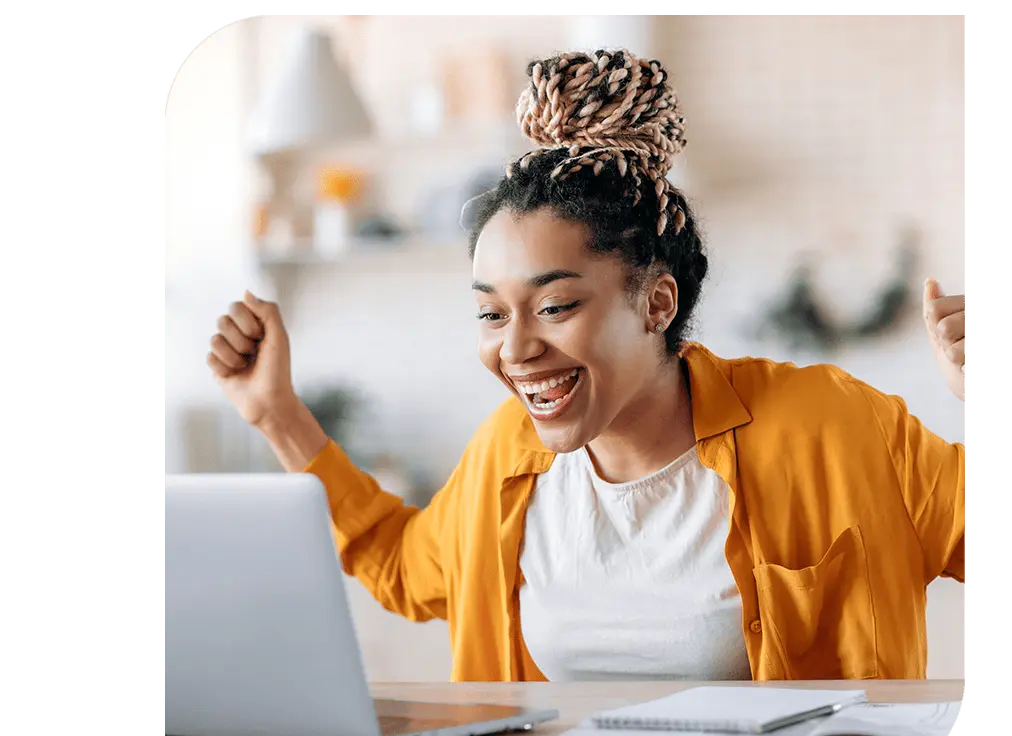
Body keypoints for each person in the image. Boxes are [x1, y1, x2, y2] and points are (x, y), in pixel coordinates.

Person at [206, 50, 967, 682]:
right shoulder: (508, 454)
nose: (515, 349)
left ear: (656, 303)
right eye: (491, 313)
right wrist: (276, 411)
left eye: (555, 306)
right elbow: (402, 563)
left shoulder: (832, 425)